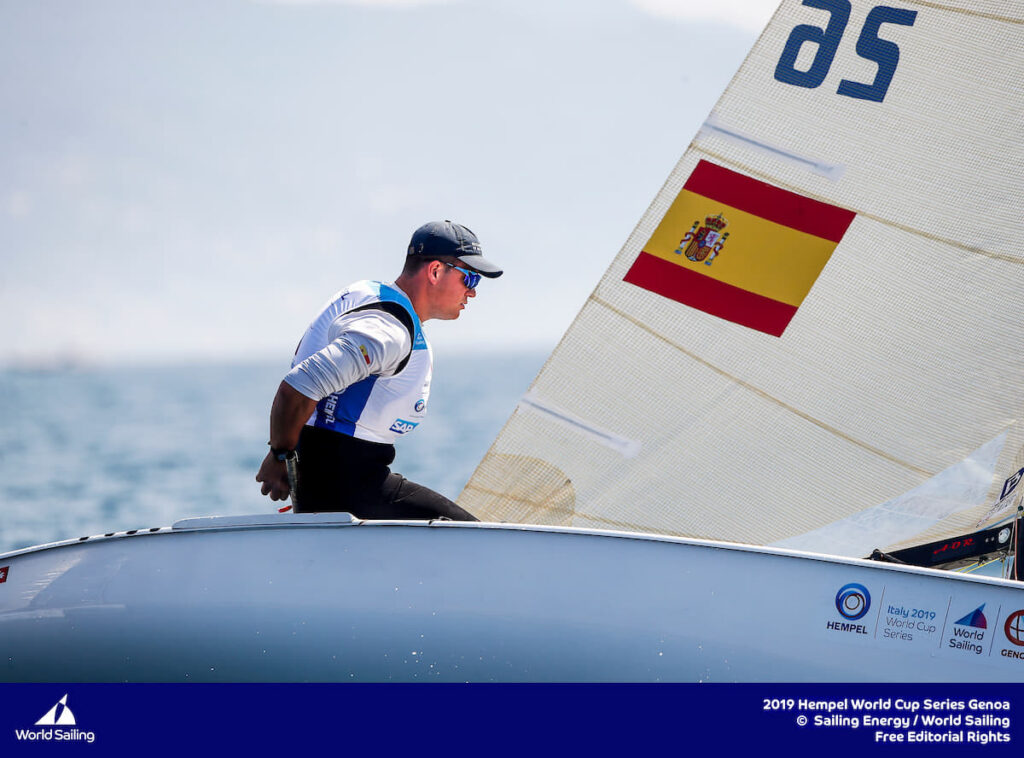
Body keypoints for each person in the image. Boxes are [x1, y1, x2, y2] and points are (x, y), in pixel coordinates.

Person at [255, 220, 502, 520]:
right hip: (347, 490)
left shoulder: (369, 293)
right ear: (436, 271)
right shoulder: (388, 333)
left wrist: (287, 454)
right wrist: (280, 454)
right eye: (470, 279)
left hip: (337, 483)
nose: (472, 292)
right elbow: (297, 387)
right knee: (476, 537)